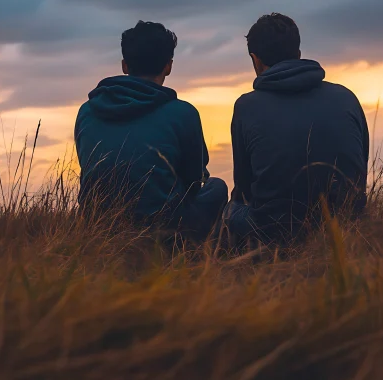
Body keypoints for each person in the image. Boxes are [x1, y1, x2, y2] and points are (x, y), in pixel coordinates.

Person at [75, 20, 227, 240]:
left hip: (100, 230)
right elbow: (194, 182)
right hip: (164, 234)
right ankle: (203, 256)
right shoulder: (183, 113)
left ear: (124, 65)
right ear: (169, 66)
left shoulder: (87, 111)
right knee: (216, 187)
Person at [224, 13, 368, 245]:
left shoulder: (247, 106)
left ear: (255, 59)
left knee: (232, 209)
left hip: (275, 233)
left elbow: (243, 187)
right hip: (345, 227)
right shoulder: (346, 97)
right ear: (298, 54)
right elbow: (359, 174)